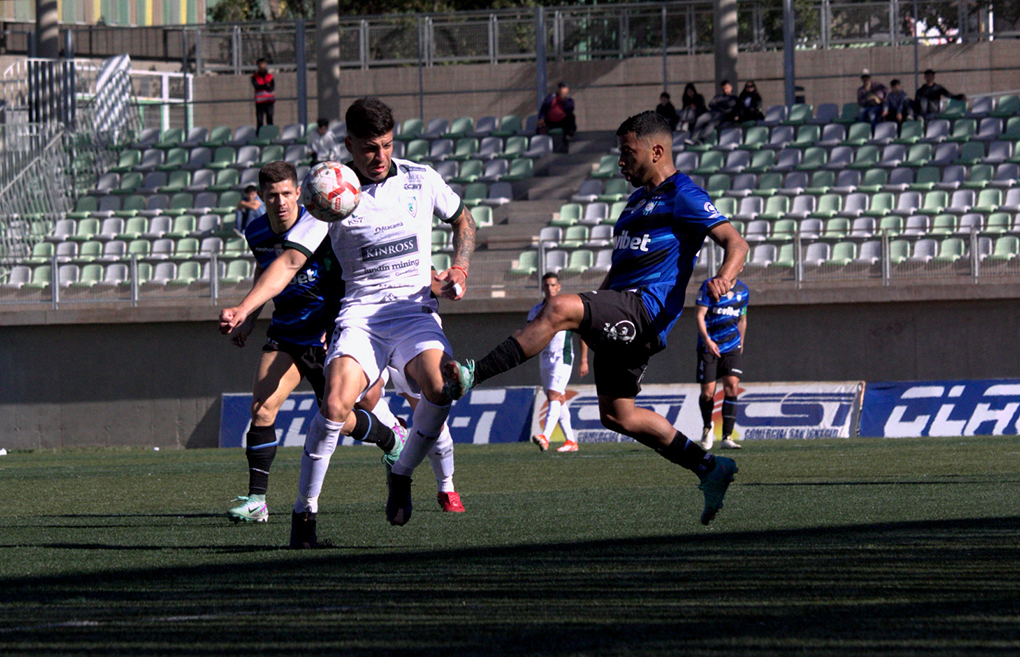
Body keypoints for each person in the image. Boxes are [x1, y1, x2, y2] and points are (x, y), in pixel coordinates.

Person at [443, 111, 748, 526]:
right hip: (621, 307)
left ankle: (471, 375)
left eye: (628, 152)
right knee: (617, 414)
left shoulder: (684, 195)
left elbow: (736, 242)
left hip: (645, 311)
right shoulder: (636, 201)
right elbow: (618, 272)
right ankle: (710, 467)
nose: (620, 161)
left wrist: (724, 278)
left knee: (558, 308)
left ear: (657, 150)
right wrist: (592, 318)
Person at [221, 97, 477, 546]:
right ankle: (304, 518)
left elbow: (464, 221)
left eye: (387, 146)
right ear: (349, 145)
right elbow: (287, 264)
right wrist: (245, 308)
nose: (379, 157)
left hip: (414, 311)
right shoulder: (332, 191)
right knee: (336, 406)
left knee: (439, 389)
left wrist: (460, 268)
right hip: (360, 317)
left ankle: (402, 473)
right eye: (368, 149)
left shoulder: (421, 179)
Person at [219, 161, 403, 524]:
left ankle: (390, 440)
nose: (281, 201)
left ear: (299, 194)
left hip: (323, 334)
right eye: (272, 195)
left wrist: (335, 326)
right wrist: (252, 316)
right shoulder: (256, 232)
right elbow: (267, 269)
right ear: (262, 198)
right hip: (286, 332)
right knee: (261, 410)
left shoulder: (318, 222)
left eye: (287, 193)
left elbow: (342, 278)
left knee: (340, 416)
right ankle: (257, 501)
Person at [528, 272, 589, 453]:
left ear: (559, 287)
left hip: (563, 357)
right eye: (547, 285)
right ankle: (571, 441)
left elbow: (582, 334)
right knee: (558, 398)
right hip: (544, 358)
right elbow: (530, 334)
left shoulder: (567, 308)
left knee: (554, 395)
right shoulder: (536, 310)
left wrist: (584, 360)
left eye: (553, 285)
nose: (550, 288)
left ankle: (545, 436)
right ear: (542, 288)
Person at [695, 276, 749, 451]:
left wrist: (741, 342)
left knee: (732, 387)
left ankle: (727, 436)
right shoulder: (709, 286)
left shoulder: (743, 290)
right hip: (709, 346)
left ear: (739, 268)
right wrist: (707, 341)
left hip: (732, 346)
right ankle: (707, 427)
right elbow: (700, 315)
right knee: (707, 393)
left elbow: (742, 319)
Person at [251, 58, 275, 130]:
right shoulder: (254, 77)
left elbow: (272, 87)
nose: (262, 66)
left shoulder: (270, 76)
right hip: (260, 102)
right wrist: (265, 86)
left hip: (269, 101)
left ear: (266, 65)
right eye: (260, 64)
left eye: (263, 64)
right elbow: (256, 86)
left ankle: (270, 135)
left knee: (270, 119)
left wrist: (265, 86)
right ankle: (259, 137)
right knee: (260, 121)